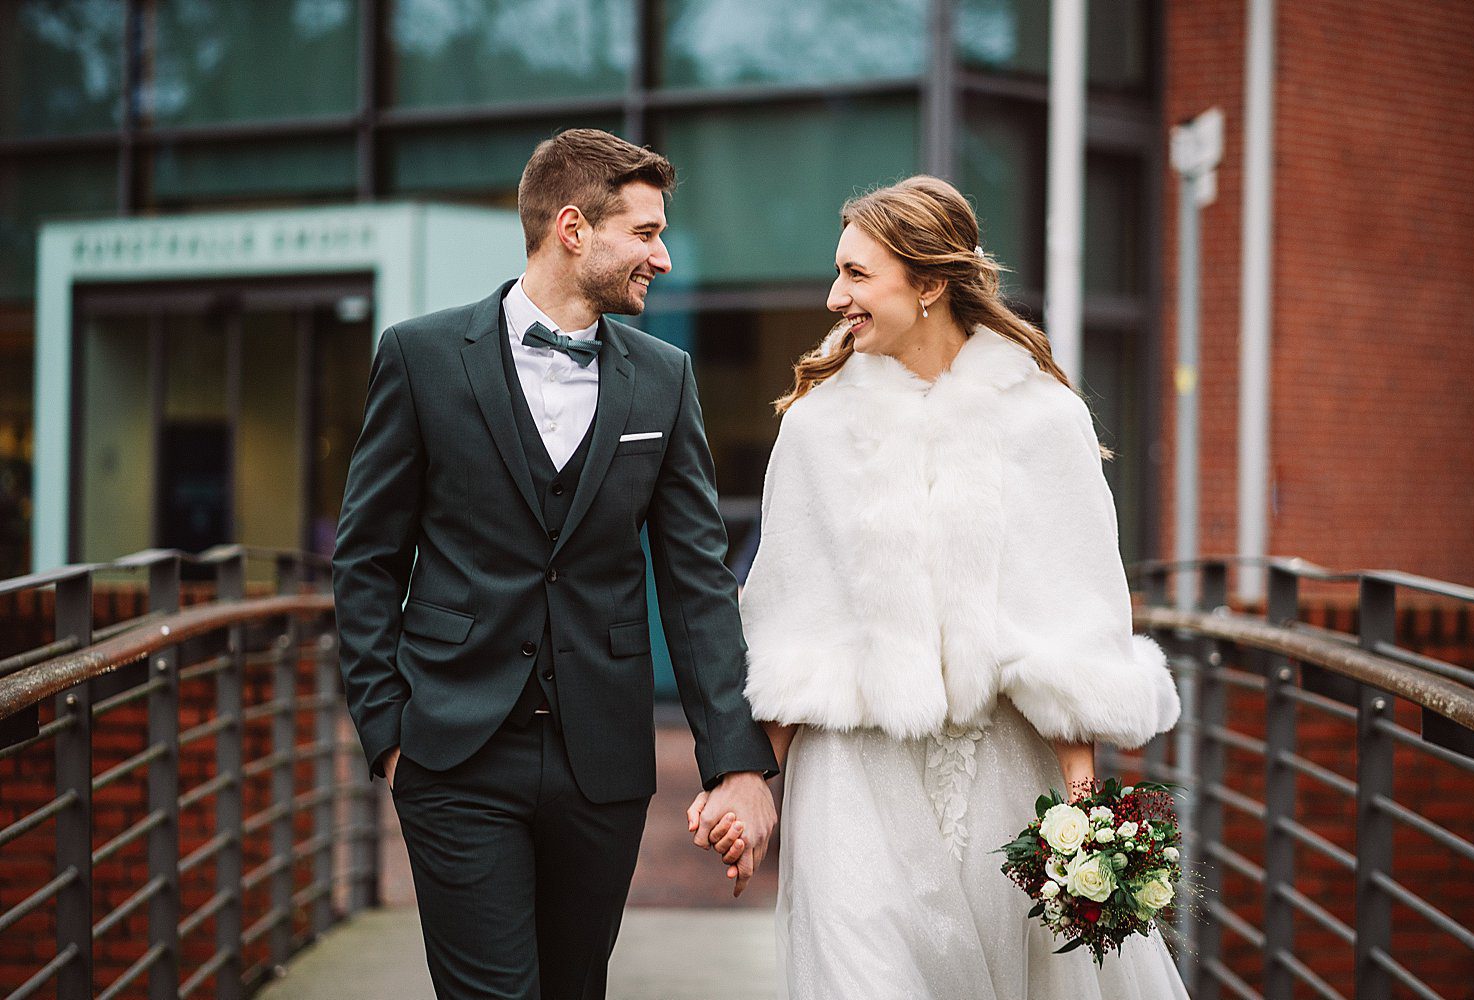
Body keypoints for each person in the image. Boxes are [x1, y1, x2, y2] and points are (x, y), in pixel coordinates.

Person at [708, 175, 1189, 998]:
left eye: (858, 275)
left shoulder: (1043, 419)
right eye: (838, 273)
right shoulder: (818, 425)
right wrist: (751, 782)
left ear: (929, 283)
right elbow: (791, 621)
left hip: (1003, 771)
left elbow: (1075, 621)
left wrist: (1084, 813)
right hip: (852, 781)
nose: (834, 297)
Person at [332, 128, 778, 1000]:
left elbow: (695, 582)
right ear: (573, 227)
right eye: (645, 233)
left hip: (601, 762)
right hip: (454, 753)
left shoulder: (665, 378)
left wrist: (736, 762)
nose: (663, 255)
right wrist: (388, 734)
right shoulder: (421, 359)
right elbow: (366, 559)